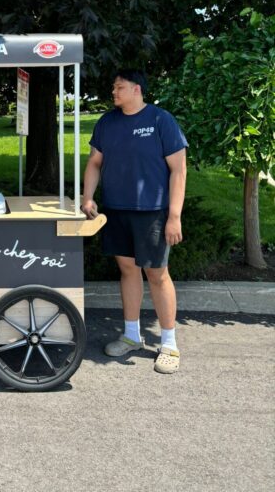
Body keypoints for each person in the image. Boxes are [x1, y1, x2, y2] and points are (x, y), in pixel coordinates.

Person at [82, 69, 188, 374]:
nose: (114, 92)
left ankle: (169, 344)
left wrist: (174, 216)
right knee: (128, 270)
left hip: (152, 212)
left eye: (119, 87)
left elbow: (179, 171)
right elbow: (94, 162)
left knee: (157, 275)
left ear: (137, 89)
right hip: (117, 210)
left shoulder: (160, 120)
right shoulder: (107, 122)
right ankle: (131, 336)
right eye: (114, 87)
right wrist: (88, 197)